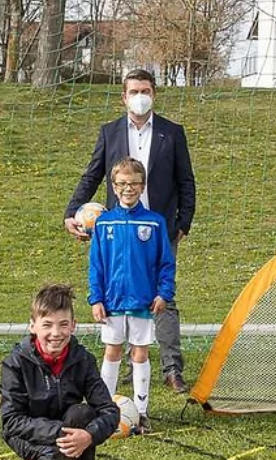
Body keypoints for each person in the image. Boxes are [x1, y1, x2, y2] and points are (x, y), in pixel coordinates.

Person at [63, 68, 195, 393]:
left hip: (158, 230)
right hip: (120, 230)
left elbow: (186, 181)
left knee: (163, 296)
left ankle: (171, 367)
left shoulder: (172, 132)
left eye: (146, 90)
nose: (140, 96)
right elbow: (92, 174)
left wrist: (183, 224)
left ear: (154, 94)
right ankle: (126, 363)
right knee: (118, 292)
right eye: (134, 90)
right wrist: (71, 211)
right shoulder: (110, 132)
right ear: (124, 96)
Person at [0, 283, 120, 460]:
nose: (56, 333)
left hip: (70, 429)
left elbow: (110, 410)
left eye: (63, 324)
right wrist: (61, 433)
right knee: (52, 455)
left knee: (83, 413)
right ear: (33, 326)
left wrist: (89, 435)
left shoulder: (83, 359)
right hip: (27, 436)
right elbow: (11, 421)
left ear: (73, 326)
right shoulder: (14, 362)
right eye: (47, 325)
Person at [88, 157, 176, 434]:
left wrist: (164, 293)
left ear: (142, 186)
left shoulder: (155, 223)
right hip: (112, 302)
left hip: (142, 300)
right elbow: (96, 264)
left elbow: (166, 263)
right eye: (123, 184)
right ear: (114, 187)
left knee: (140, 353)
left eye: (134, 183)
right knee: (112, 351)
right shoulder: (103, 224)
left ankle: (141, 413)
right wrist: (96, 298)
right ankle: (104, 410)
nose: (128, 188)